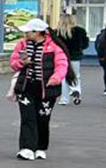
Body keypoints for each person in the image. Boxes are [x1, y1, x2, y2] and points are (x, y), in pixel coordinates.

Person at [8, 18, 67, 160]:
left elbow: (62, 64)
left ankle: (40, 147)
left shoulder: (53, 47)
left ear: (37, 32)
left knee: (43, 118)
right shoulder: (22, 45)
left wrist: (56, 78)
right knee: (28, 117)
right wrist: (21, 63)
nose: (26, 34)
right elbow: (13, 63)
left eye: (28, 31)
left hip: (46, 89)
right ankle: (27, 148)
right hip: (26, 86)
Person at [53, 14, 89, 106]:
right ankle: (76, 90)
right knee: (76, 75)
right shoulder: (80, 31)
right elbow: (85, 44)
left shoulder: (56, 32)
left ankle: (64, 99)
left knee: (63, 77)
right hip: (75, 57)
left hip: (61, 57)